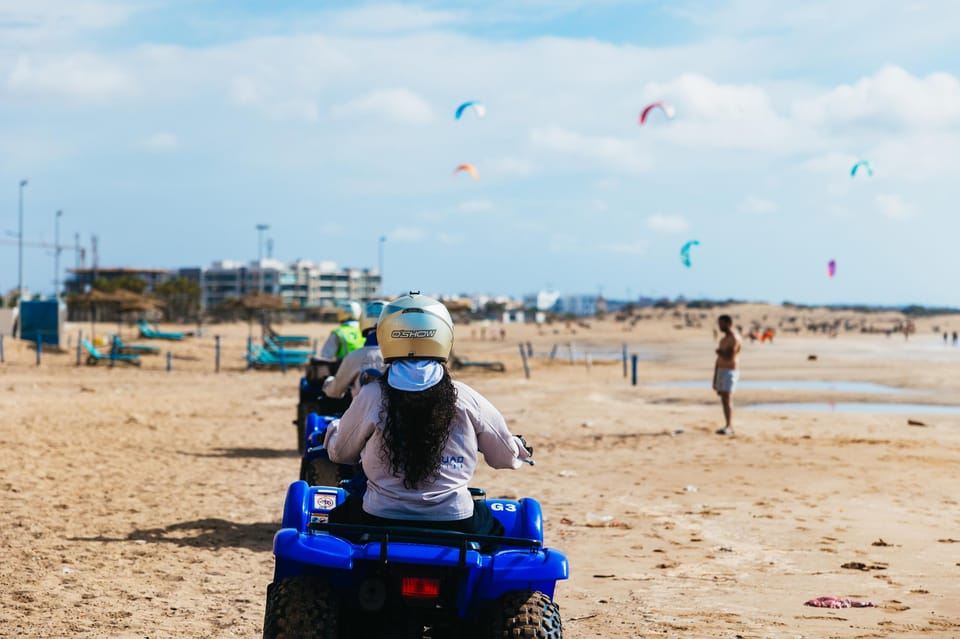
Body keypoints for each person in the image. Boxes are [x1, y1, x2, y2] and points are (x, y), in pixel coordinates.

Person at [325, 292, 532, 534]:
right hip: (455, 519)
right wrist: (517, 448)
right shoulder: (465, 397)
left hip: (380, 516)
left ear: (386, 334)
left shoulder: (371, 395)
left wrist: (335, 432)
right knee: (500, 535)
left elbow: (340, 453)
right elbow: (504, 457)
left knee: (335, 523)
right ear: (444, 335)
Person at [321, 300, 387, 399]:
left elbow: (325, 357)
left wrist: (328, 382)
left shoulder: (339, 333)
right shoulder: (399, 357)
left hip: (348, 376)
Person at [713, 314, 742, 436]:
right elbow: (718, 360)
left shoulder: (734, 339)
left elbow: (730, 357)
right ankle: (727, 424)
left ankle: (730, 426)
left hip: (730, 370)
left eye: (721, 324)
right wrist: (714, 378)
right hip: (721, 370)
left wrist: (720, 352)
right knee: (724, 398)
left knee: (728, 397)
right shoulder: (723, 339)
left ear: (728, 324)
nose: (719, 326)